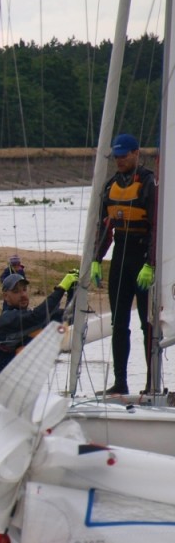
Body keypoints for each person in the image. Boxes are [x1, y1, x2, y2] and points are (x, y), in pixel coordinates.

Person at [92, 132, 157, 394]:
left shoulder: (149, 184)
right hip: (120, 257)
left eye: (123, 155)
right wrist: (96, 260)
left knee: (147, 324)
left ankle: (152, 383)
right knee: (119, 324)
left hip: (142, 260)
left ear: (135, 153)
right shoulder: (111, 186)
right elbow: (104, 228)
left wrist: (151, 263)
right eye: (116, 156)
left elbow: (156, 228)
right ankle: (120, 383)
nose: (119, 160)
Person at [0, 271, 77, 374]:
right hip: (4, 380)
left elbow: (70, 317)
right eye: (16, 291)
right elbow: (37, 316)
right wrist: (61, 288)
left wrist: (73, 290)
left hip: (26, 379)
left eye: (24, 290)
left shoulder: (31, 318)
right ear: (6, 296)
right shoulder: (6, 319)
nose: (23, 295)